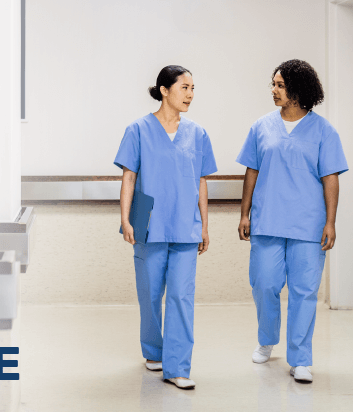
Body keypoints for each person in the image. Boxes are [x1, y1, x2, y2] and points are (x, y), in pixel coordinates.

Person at [236, 59, 348, 383]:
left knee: (304, 291)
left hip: (307, 225)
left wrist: (330, 222)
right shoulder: (261, 127)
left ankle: (300, 358)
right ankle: (267, 338)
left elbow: (331, 179)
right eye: (273, 84)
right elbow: (251, 171)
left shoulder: (324, 131)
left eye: (280, 85)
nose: (273, 90)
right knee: (264, 282)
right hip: (267, 220)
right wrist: (244, 213)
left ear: (298, 90)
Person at [114, 65, 218, 389]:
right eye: (184, 87)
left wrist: (203, 224)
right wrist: (125, 219)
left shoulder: (198, 134)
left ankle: (178, 368)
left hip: (186, 223)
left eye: (192, 89)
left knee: (181, 296)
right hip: (148, 220)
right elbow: (129, 177)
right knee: (150, 293)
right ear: (164, 90)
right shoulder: (138, 130)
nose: (189, 94)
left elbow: (201, 181)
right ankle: (153, 351)